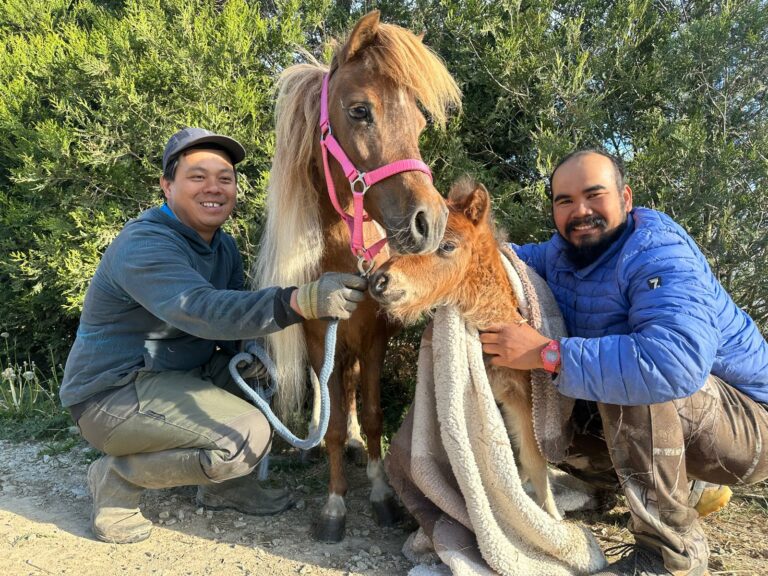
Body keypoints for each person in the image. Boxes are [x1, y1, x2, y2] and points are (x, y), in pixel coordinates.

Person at [60, 127, 368, 544]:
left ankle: (226, 487)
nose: (214, 188)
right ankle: (116, 478)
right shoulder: (145, 244)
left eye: (225, 178)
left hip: (177, 377)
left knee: (268, 378)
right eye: (197, 176)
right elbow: (201, 310)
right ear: (167, 186)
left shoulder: (222, 247)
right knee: (246, 434)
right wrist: (301, 300)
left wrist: (254, 349)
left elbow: (235, 315)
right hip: (113, 394)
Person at [479, 149, 768, 576]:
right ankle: (672, 488)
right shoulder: (558, 254)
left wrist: (545, 353)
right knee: (550, 404)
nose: (580, 211)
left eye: (594, 195)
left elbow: (670, 364)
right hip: (686, 416)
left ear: (626, 197)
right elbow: (494, 259)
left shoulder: (658, 252)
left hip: (750, 427)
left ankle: (670, 558)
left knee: (625, 376)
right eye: (564, 200)